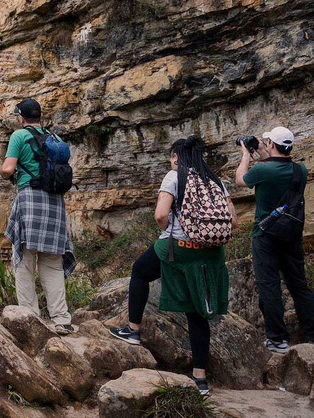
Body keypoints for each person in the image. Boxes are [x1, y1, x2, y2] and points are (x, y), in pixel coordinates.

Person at [109, 136, 238, 395]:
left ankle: (133, 330)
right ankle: (200, 379)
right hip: (210, 254)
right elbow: (233, 222)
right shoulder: (216, 181)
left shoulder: (174, 176)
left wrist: (170, 231)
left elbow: (160, 214)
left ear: (176, 157)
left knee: (140, 271)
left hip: (179, 248)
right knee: (197, 311)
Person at [0, 98, 76, 333]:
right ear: (40, 117)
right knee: (52, 263)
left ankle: (30, 317)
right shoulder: (56, 139)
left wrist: (3, 174)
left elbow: (8, 169)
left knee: (24, 260)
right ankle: (62, 318)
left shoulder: (19, 136)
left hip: (30, 199)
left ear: (21, 118)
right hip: (54, 203)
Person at [235, 126, 313, 353]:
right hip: (291, 234)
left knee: (269, 286)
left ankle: (278, 339)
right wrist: (262, 150)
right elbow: (279, 165)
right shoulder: (301, 170)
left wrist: (246, 154)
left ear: (271, 144)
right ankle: (312, 334)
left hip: (265, 235)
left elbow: (241, 179)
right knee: (299, 286)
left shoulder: (261, 171)